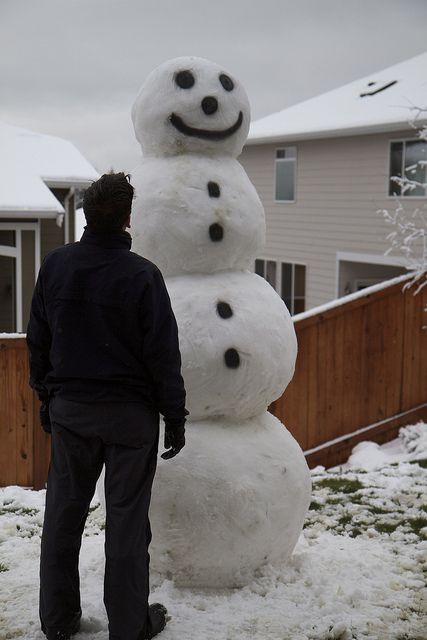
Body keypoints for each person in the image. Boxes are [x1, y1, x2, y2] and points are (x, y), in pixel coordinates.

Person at [26, 172, 188, 640]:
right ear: (126, 218)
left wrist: (45, 395)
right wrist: (174, 417)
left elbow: (38, 340)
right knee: (127, 524)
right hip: (129, 421)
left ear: (86, 215)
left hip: (72, 411)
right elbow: (163, 356)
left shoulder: (55, 266)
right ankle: (128, 626)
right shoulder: (142, 275)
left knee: (63, 515)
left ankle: (57, 621)